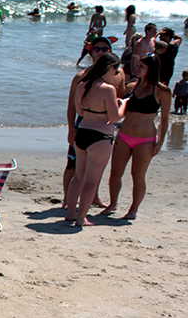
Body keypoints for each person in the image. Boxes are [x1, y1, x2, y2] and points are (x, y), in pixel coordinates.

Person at [103, 52, 170, 220]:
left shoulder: (162, 91)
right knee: (115, 172)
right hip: (124, 135)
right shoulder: (131, 87)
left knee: (138, 176)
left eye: (142, 66)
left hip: (145, 140)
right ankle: (112, 204)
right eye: (137, 65)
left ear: (151, 68)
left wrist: (160, 142)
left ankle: (133, 210)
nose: (137, 68)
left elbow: (165, 118)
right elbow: (119, 108)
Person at [69, 53, 126, 226]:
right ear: (109, 69)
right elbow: (115, 117)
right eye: (115, 70)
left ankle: (71, 211)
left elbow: (79, 112)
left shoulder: (82, 85)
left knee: (78, 177)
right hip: (100, 136)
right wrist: (123, 105)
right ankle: (81, 218)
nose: (116, 74)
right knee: (91, 180)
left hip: (83, 131)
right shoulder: (108, 89)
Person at [62, 35, 115, 211]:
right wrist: (71, 129)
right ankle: (66, 199)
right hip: (83, 124)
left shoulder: (116, 76)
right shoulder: (81, 77)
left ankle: (94, 197)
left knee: (95, 167)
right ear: (91, 52)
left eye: (104, 49)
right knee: (73, 165)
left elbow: (119, 96)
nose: (100, 52)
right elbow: (72, 106)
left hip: (103, 126)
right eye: (97, 49)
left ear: (110, 51)